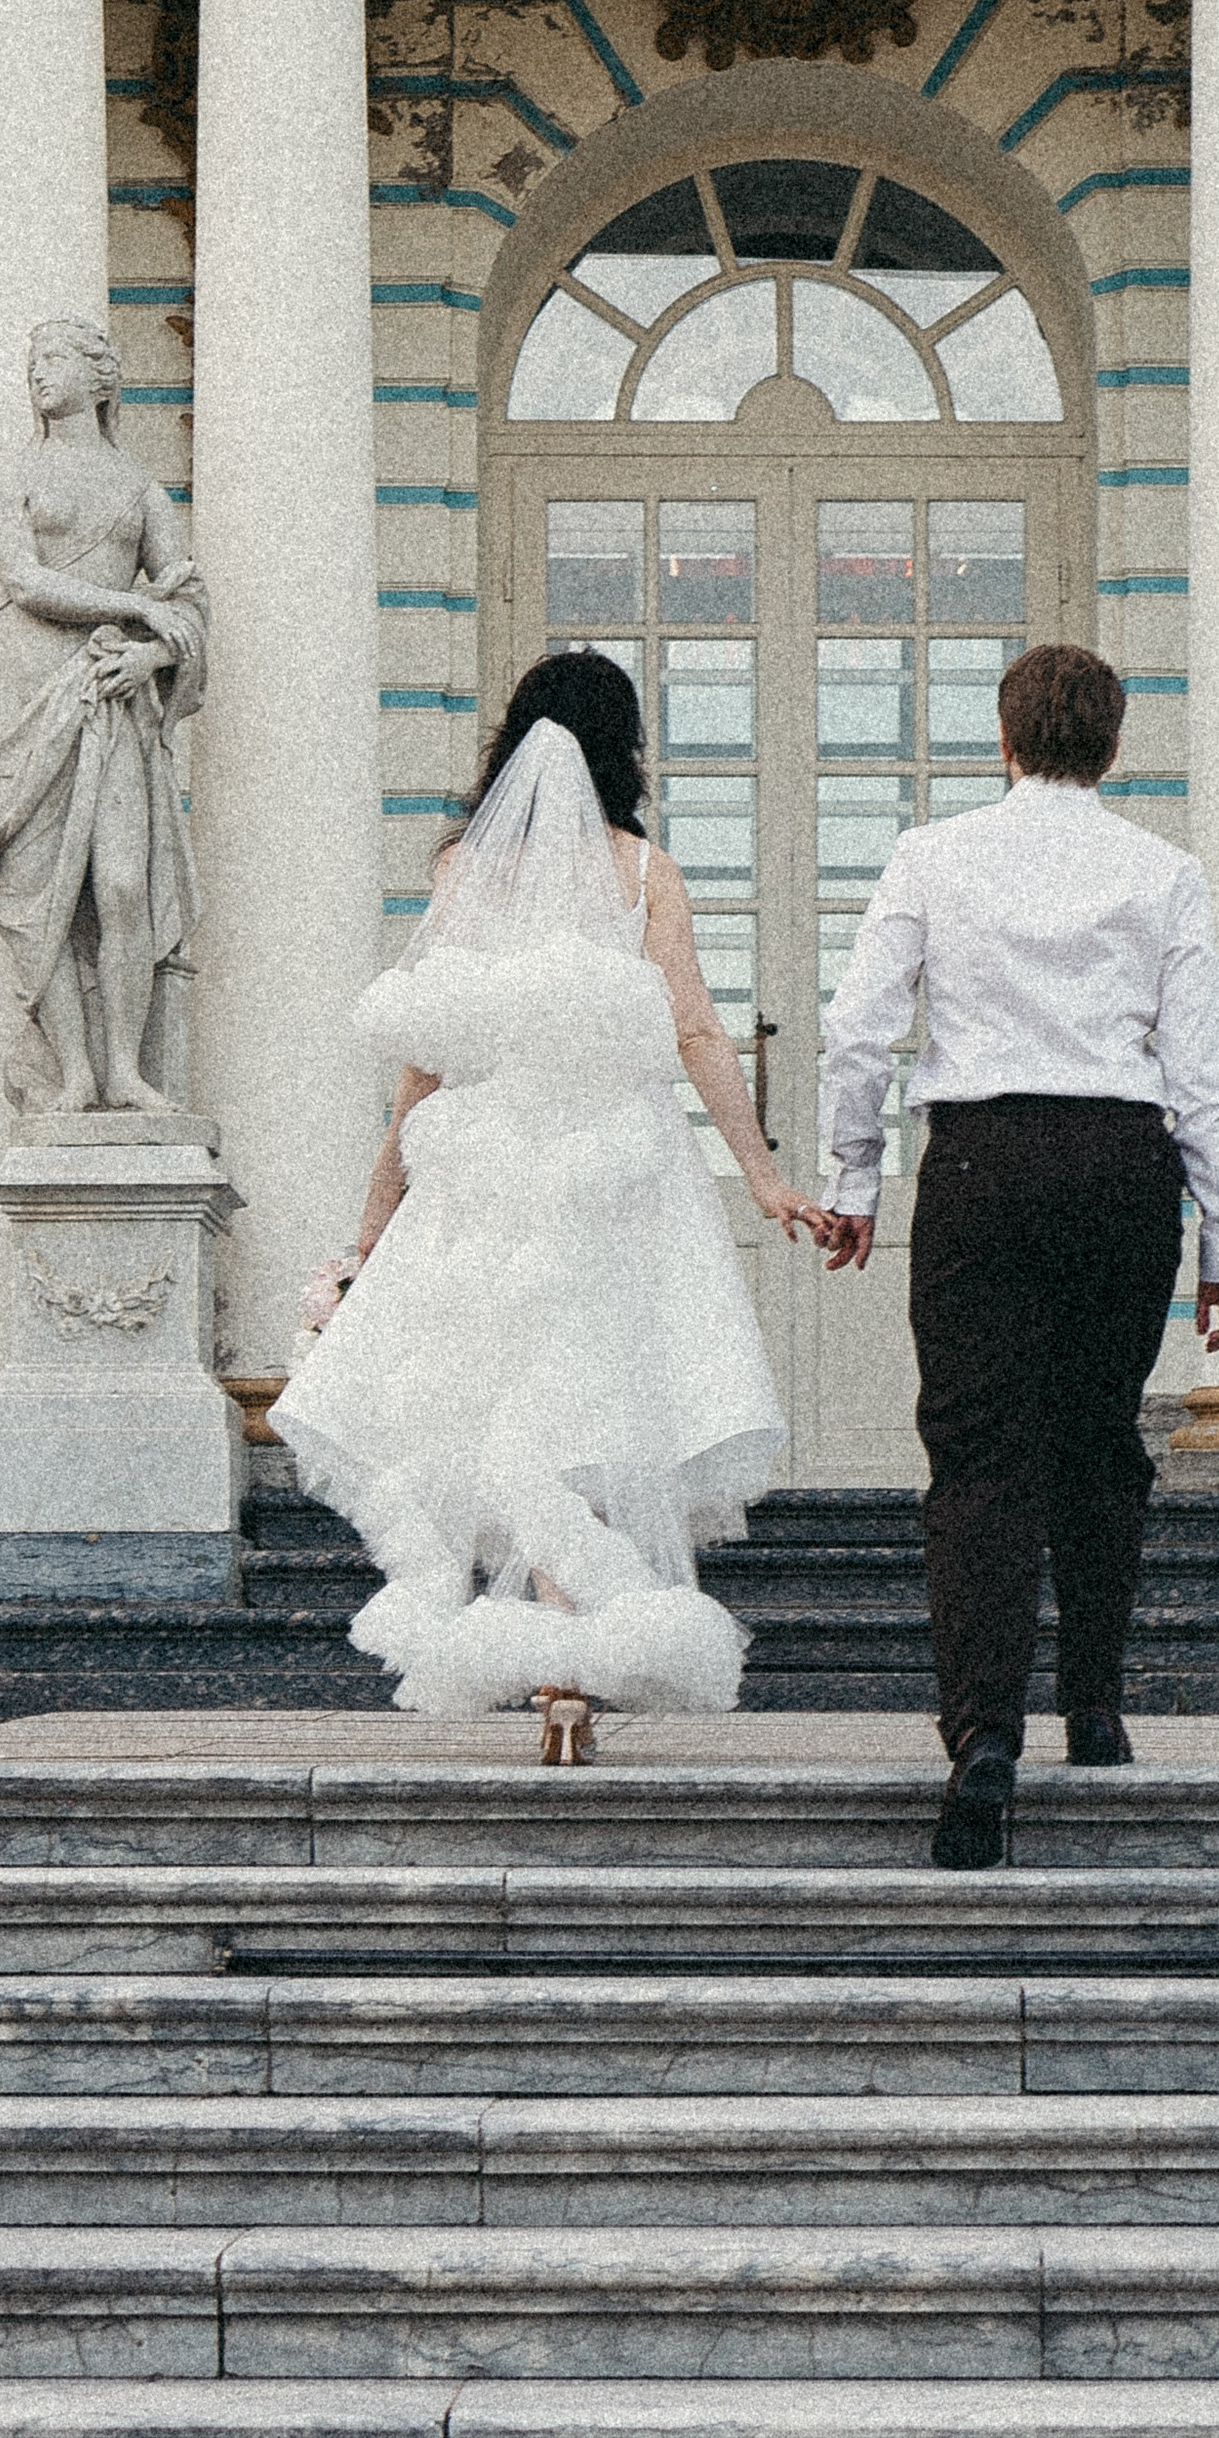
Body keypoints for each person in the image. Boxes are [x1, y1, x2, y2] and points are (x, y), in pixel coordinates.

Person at [277, 650, 825, 1748]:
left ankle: (548, 1648)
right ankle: (576, 1642)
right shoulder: (640, 871)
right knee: (604, 1392)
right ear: (622, 750)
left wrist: (374, 1224)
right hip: (614, 1172)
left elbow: (422, 1066)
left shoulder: (464, 874)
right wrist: (762, 1175)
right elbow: (696, 1033)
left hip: (485, 1171)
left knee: (511, 1402)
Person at [816, 642, 1219, 1869]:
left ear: (1001, 741)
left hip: (980, 1163)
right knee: (1099, 1444)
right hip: (1121, 1166)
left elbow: (858, 1031)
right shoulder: (1163, 873)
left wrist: (853, 1180)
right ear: (1113, 749)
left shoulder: (930, 857)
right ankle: (1096, 1707)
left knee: (977, 1453)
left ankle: (982, 1736)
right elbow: (1202, 1074)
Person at [0, 314, 208, 1118]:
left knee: (123, 885)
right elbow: (23, 580)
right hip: (18, 691)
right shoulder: (14, 474)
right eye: (34, 361)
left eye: (55, 358)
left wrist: (152, 657)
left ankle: (127, 1070)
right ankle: (75, 1075)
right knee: (38, 897)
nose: (39, 373)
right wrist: (135, 606)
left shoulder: (139, 489)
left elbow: (189, 602)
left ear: (101, 380)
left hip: (110, 695)